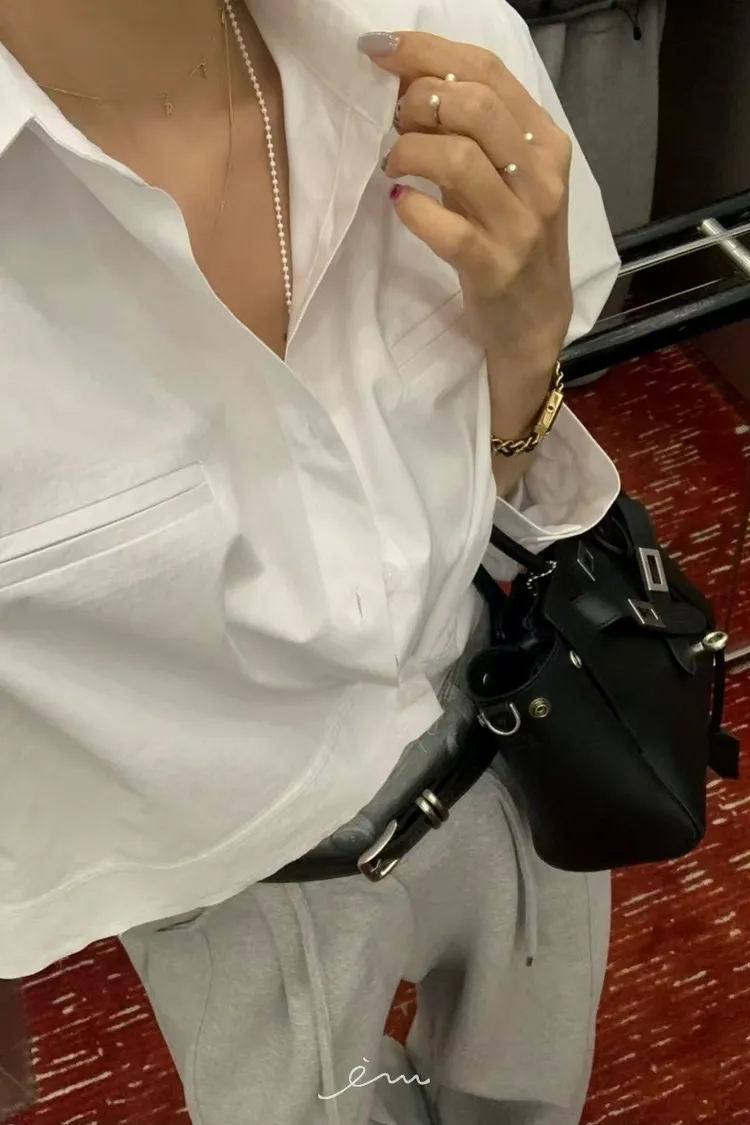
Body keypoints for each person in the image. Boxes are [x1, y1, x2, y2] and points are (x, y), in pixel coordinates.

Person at [0, 0, 620, 1122]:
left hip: (506, 742)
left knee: (532, 1100)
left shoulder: (438, 45)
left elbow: (501, 483)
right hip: (227, 882)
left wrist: (525, 346)